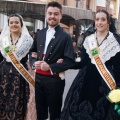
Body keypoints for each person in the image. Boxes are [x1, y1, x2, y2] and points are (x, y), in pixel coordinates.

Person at [61, 9, 120, 120]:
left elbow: (118, 67)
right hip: (85, 81)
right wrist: (66, 63)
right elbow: (83, 63)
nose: (100, 22)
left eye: (103, 19)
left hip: (105, 83)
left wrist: (117, 87)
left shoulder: (116, 41)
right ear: (94, 22)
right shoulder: (88, 40)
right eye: (97, 19)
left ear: (108, 22)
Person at [29, 1, 75, 120]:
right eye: (50, 13)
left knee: (54, 113)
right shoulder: (40, 33)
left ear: (60, 15)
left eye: (55, 14)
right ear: (46, 14)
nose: (52, 16)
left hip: (55, 81)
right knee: (40, 112)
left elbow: (70, 61)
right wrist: (34, 62)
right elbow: (32, 53)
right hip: (38, 79)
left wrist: (50, 67)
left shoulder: (66, 36)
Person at [0, 13, 33, 120]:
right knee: (3, 98)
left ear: (21, 24)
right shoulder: (3, 39)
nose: (14, 24)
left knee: (17, 100)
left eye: (16, 22)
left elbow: (16, 57)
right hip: (4, 73)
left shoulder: (27, 39)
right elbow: (5, 57)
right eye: (11, 22)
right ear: (8, 24)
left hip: (20, 75)